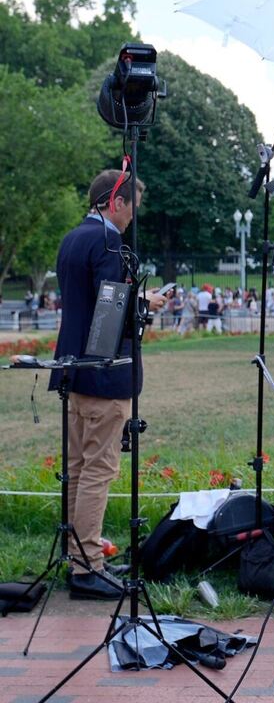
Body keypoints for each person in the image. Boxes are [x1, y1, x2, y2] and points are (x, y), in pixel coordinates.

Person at [50, 169, 166, 600]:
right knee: (98, 471)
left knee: (79, 471)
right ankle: (87, 567)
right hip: (104, 374)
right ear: (115, 202)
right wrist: (146, 302)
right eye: (132, 204)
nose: (134, 215)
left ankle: (78, 555)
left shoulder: (72, 238)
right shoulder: (108, 241)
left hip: (73, 370)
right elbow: (111, 309)